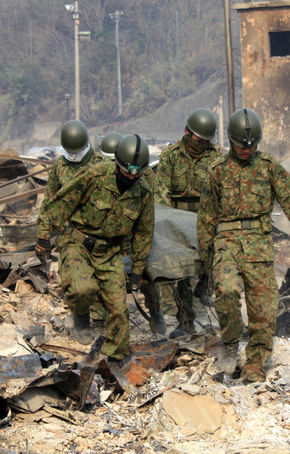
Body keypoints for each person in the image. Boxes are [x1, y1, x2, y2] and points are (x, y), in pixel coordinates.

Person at [198, 108, 290, 383]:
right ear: (231, 140)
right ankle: (230, 344)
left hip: (259, 245)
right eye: (242, 144)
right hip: (227, 243)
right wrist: (204, 260)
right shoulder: (216, 171)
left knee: (263, 307)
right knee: (227, 291)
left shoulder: (269, 167)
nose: (247, 149)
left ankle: (255, 362)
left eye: (252, 144)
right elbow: (206, 217)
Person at [36, 134, 155, 360]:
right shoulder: (94, 175)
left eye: (137, 171)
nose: (132, 175)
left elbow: (143, 232)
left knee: (119, 310)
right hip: (78, 242)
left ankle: (115, 359)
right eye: (127, 170)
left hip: (109, 252)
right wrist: (44, 236)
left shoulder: (143, 192)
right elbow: (61, 202)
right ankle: (81, 316)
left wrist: (138, 270)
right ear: (118, 163)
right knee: (82, 289)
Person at [154, 108, 223, 337]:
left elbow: (221, 191)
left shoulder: (216, 156)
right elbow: (161, 190)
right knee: (180, 271)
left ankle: (205, 288)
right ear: (187, 132)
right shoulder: (170, 155)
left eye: (205, 141)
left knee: (211, 261)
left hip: (206, 216)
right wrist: (165, 224)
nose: (201, 144)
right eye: (197, 139)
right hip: (177, 218)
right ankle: (185, 321)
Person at [35, 120, 104, 264]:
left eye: (77, 152)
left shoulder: (102, 165)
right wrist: (44, 235)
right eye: (70, 152)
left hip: (99, 237)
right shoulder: (60, 165)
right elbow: (50, 200)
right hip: (71, 236)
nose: (73, 156)